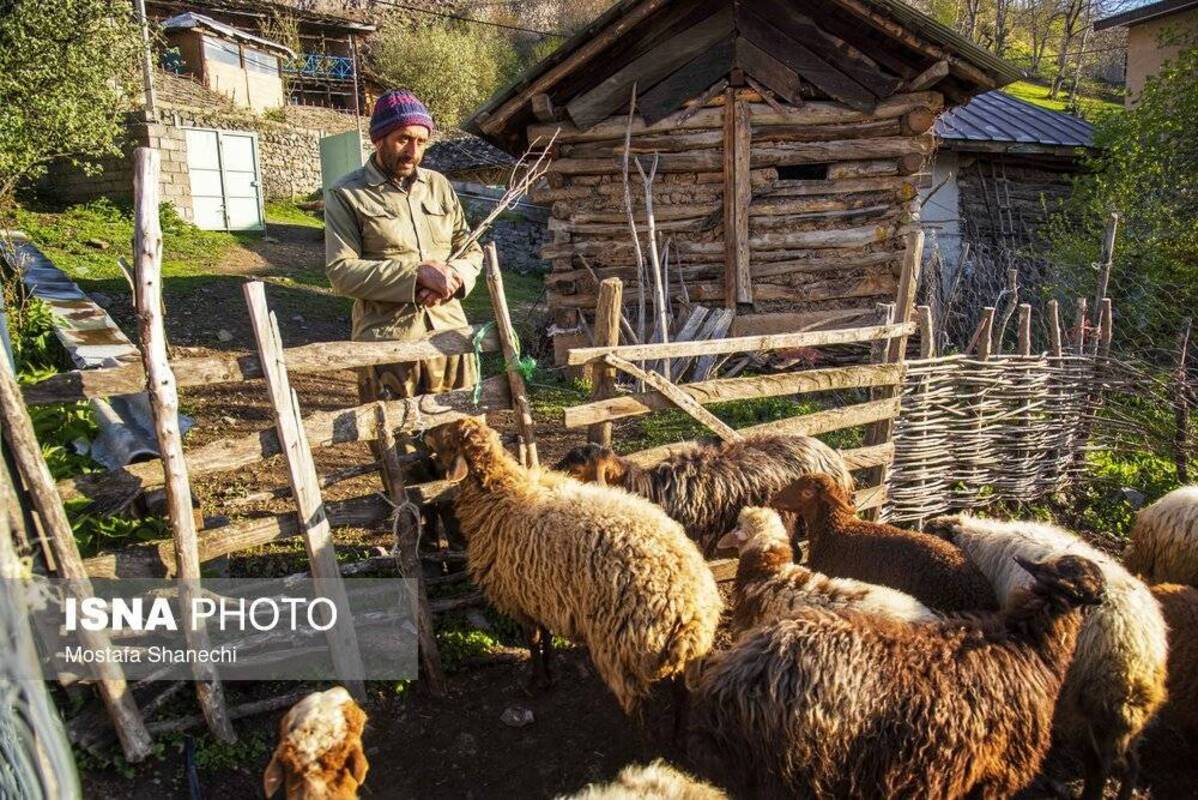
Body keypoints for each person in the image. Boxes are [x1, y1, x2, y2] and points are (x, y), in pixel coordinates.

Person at [324, 89, 484, 402]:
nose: (413, 151)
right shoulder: (347, 194)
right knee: (398, 443)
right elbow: (341, 271)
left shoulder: (438, 186)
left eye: (421, 142)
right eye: (403, 139)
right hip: (389, 345)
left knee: (463, 439)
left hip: (450, 337)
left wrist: (454, 276)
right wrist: (417, 276)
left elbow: (470, 249)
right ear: (378, 139)